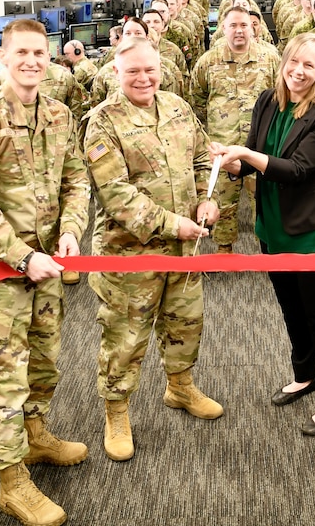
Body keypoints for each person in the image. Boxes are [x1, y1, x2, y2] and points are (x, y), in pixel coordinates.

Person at [0, 17, 91, 526]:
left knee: (45, 362)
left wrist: (71, 231)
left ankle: (35, 437)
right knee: (3, 380)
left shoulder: (58, 113)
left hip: (49, 267)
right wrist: (23, 256)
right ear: (1, 59)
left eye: (40, 52)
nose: (32, 61)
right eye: (22, 53)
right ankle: (11, 482)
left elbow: (77, 180)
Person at [83, 36, 222, 463]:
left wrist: (207, 197)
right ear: (116, 74)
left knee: (185, 323)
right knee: (126, 338)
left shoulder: (178, 108)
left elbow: (202, 158)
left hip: (185, 250)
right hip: (131, 255)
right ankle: (117, 411)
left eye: (150, 70)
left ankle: (179, 387)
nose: (143, 78)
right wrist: (170, 224)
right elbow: (114, 193)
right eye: (133, 72)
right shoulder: (102, 122)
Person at [211, 33, 315, 435]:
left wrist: (245, 154)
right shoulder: (269, 100)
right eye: (294, 62)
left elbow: (298, 170)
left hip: (310, 232)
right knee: (291, 310)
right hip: (272, 227)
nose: (299, 71)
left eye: (310, 65)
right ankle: (305, 376)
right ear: (284, 61)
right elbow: (254, 159)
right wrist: (232, 162)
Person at [188, 4, 280, 253]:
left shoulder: (270, 58)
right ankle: (224, 248)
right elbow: (197, 99)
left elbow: (282, 98)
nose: (239, 30)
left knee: (265, 202)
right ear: (223, 29)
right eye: (233, 26)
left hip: (260, 147)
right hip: (223, 147)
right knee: (224, 201)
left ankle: (271, 248)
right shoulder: (208, 61)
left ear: (252, 27)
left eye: (244, 25)